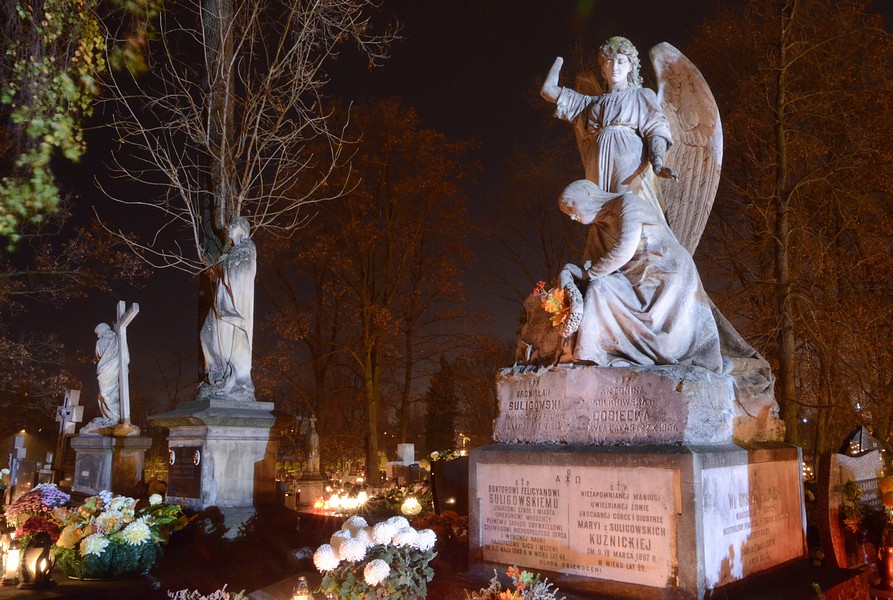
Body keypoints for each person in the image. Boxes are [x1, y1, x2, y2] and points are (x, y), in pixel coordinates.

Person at [557, 180, 722, 372]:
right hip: (633, 278)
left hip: (665, 275)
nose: (572, 217)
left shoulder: (627, 204)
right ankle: (592, 353)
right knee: (598, 288)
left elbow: (624, 250)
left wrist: (589, 273)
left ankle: (633, 351)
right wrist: (575, 273)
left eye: (571, 207)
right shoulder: (600, 227)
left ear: (587, 196)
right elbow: (595, 259)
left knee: (598, 285)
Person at [541, 36, 676, 217]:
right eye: (609, 61)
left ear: (631, 66)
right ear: (603, 68)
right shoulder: (590, 103)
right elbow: (548, 90)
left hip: (628, 158)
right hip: (597, 161)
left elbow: (656, 128)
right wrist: (559, 61)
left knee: (626, 208)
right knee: (598, 216)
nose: (614, 67)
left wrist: (657, 162)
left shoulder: (641, 95)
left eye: (621, 61)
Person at [200, 217, 257, 400]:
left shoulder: (247, 248)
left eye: (232, 227)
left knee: (226, 340)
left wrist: (224, 263)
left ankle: (233, 379)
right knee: (206, 333)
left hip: (233, 305)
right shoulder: (233, 251)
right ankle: (217, 375)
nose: (229, 230)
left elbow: (240, 272)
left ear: (241, 229)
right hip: (222, 301)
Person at [94, 322, 121, 423]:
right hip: (105, 368)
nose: (98, 336)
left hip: (111, 368)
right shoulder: (115, 338)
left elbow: (97, 355)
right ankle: (109, 416)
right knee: (102, 395)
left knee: (106, 393)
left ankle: (116, 416)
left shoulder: (110, 340)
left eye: (98, 333)